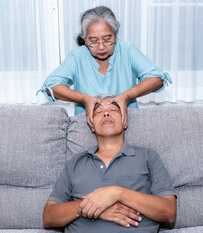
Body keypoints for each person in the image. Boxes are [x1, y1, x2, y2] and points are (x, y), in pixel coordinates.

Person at [43, 94, 176, 233]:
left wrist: (118, 193)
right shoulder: (75, 163)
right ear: (91, 124)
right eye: (99, 112)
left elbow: (169, 212)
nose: (106, 113)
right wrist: (94, 207)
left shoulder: (148, 157)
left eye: (113, 110)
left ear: (124, 121)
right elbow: (49, 217)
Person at [38, 6, 172, 132]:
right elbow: (51, 87)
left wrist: (126, 96)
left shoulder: (127, 50)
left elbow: (157, 79)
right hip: (87, 130)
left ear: (115, 35)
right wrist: (85, 99)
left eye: (107, 39)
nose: (101, 47)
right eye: (94, 41)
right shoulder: (78, 56)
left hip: (127, 128)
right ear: (85, 40)